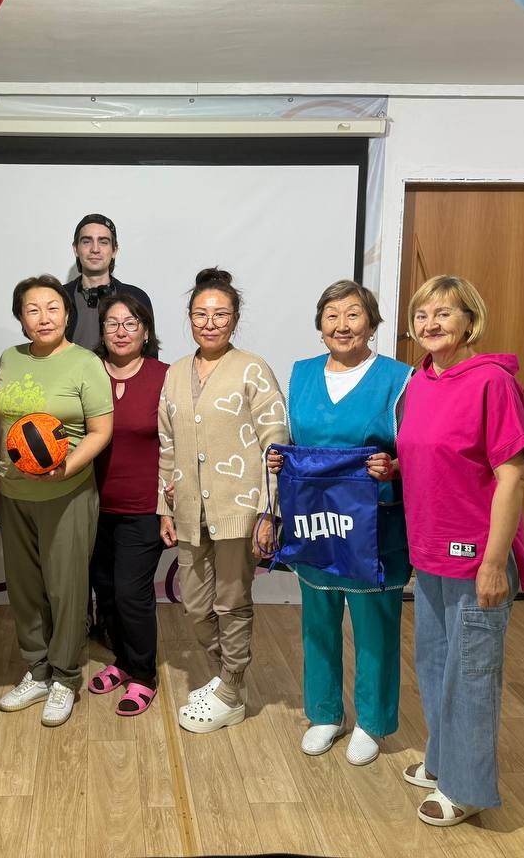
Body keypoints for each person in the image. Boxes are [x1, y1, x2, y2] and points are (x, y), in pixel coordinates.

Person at [396, 274, 524, 827]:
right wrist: (393, 466)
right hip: (428, 550)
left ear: (470, 321)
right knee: (434, 665)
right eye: (422, 314)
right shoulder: (421, 381)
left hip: (476, 555)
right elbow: (435, 455)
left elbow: (512, 476)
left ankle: (468, 787)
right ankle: (441, 759)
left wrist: (495, 562)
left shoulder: (492, 382)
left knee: (471, 674)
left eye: (444, 313)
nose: (430, 323)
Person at [265, 281, 413, 766]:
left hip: (374, 525)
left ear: (371, 323)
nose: (342, 325)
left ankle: (372, 722)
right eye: (332, 315)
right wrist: (280, 459)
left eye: (353, 314)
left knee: (375, 626)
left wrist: (393, 467)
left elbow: (418, 451)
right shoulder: (302, 374)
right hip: (315, 520)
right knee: (318, 620)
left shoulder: (399, 379)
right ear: (320, 325)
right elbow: (296, 440)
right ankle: (325, 713)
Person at [158, 267, 289, 733]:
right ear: (189, 317)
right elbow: (167, 444)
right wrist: (164, 507)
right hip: (189, 509)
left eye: (220, 314)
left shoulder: (252, 368)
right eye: (201, 314)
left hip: (240, 506)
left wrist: (269, 511)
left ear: (235, 319)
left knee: (232, 602)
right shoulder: (175, 373)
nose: (210, 323)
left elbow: (276, 443)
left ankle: (232, 688)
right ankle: (225, 675)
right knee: (196, 605)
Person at [0, 274, 114, 727]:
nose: (43, 317)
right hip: (13, 492)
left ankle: (65, 676)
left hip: (67, 491)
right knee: (24, 588)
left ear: (67, 314)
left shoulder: (85, 363)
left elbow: (101, 431)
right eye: (32, 309)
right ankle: (38, 670)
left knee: (66, 589)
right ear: (21, 318)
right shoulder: (9, 358)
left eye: (52, 308)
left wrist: (66, 467)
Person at [86, 293, 170, 716]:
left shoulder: (165, 376)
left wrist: (168, 506)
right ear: (102, 331)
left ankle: (143, 674)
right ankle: (121, 661)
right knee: (106, 591)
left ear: (146, 331)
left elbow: (175, 445)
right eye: (112, 323)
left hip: (143, 507)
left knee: (131, 593)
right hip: (90, 505)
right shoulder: (87, 372)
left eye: (131, 323)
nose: (121, 332)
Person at [62, 214, 155, 357]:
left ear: (114, 250)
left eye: (103, 242)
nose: (95, 249)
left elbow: (150, 355)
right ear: (76, 249)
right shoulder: (59, 297)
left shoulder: (137, 297)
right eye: (86, 241)